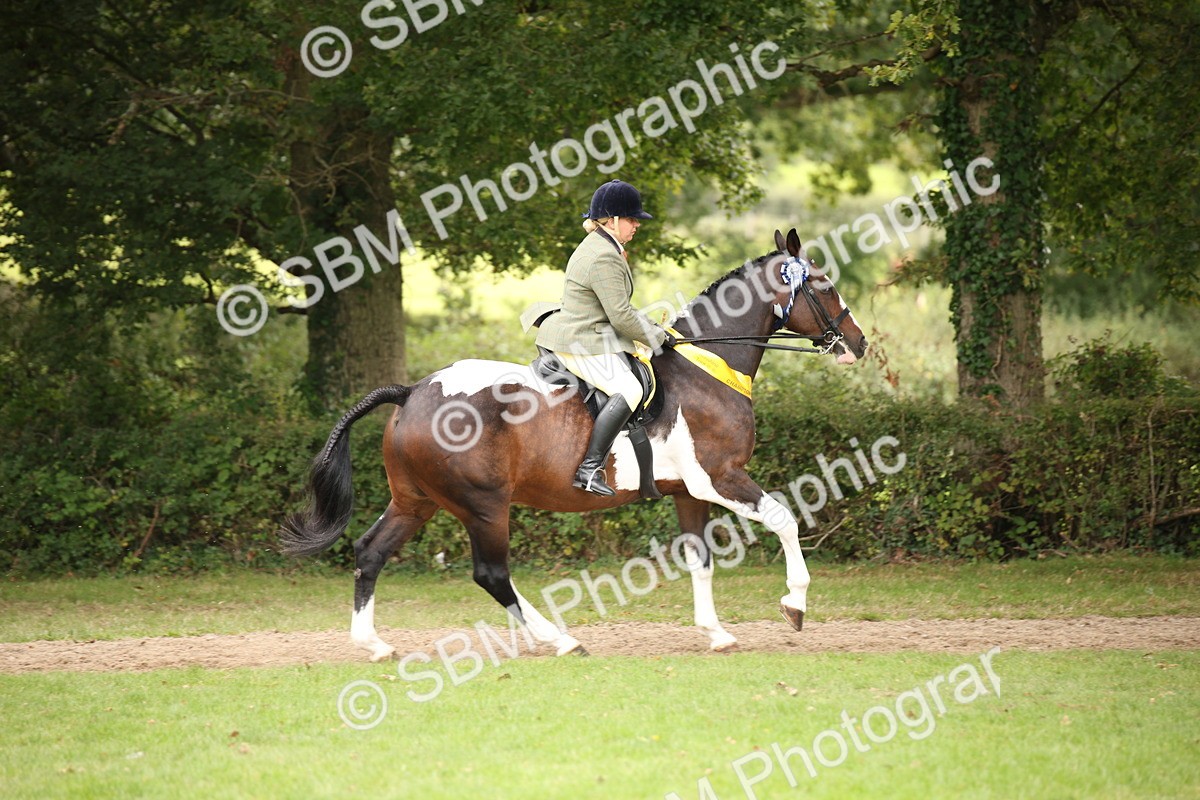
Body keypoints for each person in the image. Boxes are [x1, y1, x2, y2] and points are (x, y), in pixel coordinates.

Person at [525, 179, 676, 496]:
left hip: (588, 329)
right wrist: (657, 336)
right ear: (612, 219)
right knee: (630, 388)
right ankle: (590, 469)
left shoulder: (603, 246)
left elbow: (620, 309)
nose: (636, 225)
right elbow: (620, 315)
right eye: (632, 219)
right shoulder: (604, 255)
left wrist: (655, 330)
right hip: (581, 339)